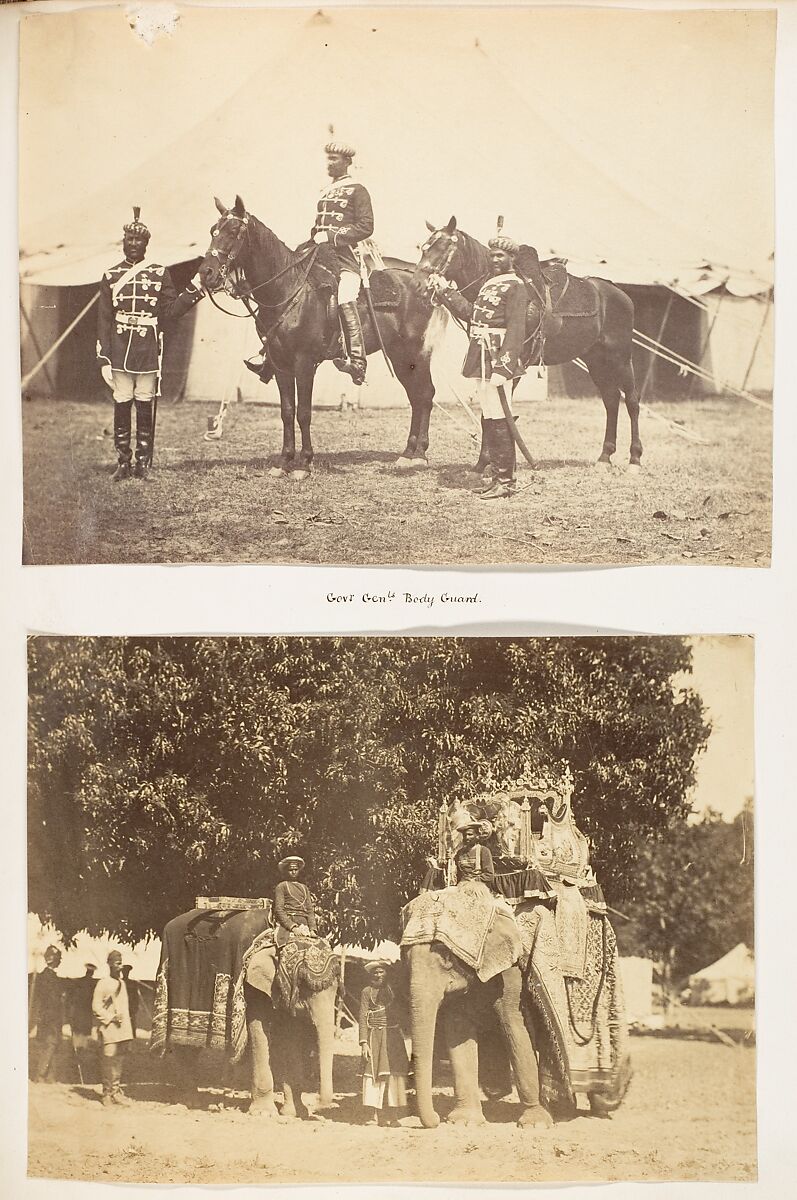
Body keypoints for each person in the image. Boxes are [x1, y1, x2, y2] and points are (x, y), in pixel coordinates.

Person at [97, 207, 205, 481]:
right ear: (123, 243)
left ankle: (142, 462)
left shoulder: (158, 274)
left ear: (146, 244)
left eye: (139, 240)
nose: (133, 244)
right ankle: (123, 460)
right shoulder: (111, 275)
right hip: (120, 345)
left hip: (146, 347)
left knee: (144, 401)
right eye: (129, 240)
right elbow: (104, 318)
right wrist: (105, 356)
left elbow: (169, 312)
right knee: (122, 401)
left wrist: (193, 292)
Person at [429, 235, 527, 500]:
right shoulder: (488, 285)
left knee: (499, 417)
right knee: (491, 415)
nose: (495, 260)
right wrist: (446, 292)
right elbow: (472, 314)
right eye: (492, 255)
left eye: (500, 256)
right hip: (480, 354)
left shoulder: (516, 286)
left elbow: (516, 329)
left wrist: (504, 367)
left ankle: (506, 481)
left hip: (497, 357)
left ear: (512, 259)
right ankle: (497, 478)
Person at [310, 141, 374, 386]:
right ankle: (268, 358)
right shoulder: (324, 191)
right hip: (319, 255)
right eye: (328, 158)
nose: (329, 163)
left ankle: (358, 361)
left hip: (345, 257)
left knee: (346, 296)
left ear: (347, 162)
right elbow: (319, 227)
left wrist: (332, 236)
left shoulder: (357, 190)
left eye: (334, 159)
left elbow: (366, 226)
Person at [358, 961, 409, 1127]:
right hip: (375, 1036)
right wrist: (364, 1042)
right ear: (370, 975)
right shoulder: (366, 992)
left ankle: (393, 1116)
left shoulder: (394, 991)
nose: (378, 975)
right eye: (375, 973)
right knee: (373, 1074)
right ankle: (374, 1115)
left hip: (393, 1036)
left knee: (394, 1074)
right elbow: (362, 1017)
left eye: (381, 972)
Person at [93, 950, 134, 1106]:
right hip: (109, 1027)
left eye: (121, 962)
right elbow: (96, 1007)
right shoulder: (102, 983)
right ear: (109, 964)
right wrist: (110, 1018)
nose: (120, 966)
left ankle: (115, 1092)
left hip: (123, 1028)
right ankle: (106, 1094)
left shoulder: (122, 983)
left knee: (119, 1060)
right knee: (108, 1059)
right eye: (117, 963)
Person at [31, 945, 64, 1083]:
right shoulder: (47, 977)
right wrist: (61, 997)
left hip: (48, 1015)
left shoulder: (47, 976)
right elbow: (50, 999)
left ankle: (49, 1075)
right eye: (57, 959)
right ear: (51, 959)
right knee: (50, 1043)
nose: (59, 961)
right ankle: (41, 1074)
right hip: (49, 1016)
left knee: (50, 1044)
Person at [273, 855, 318, 947]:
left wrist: (312, 929)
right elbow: (279, 909)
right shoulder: (282, 886)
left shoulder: (304, 888)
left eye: (296, 869)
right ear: (286, 871)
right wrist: (292, 927)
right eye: (290, 870)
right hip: (288, 924)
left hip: (304, 924)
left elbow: (310, 911)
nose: (293, 872)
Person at [453, 812, 496, 895]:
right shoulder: (460, 853)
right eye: (465, 835)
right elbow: (458, 874)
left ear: (477, 836)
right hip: (462, 886)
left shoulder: (483, 851)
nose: (467, 837)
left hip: (479, 888)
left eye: (470, 835)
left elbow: (489, 875)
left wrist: (474, 881)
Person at [120, 965, 139, 1036]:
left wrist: (135, 1007)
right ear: (122, 972)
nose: (125, 973)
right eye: (124, 972)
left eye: (127, 972)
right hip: (121, 1006)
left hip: (130, 1007)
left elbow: (135, 996)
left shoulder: (133, 983)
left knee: (131, 1023)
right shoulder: (119, 982)